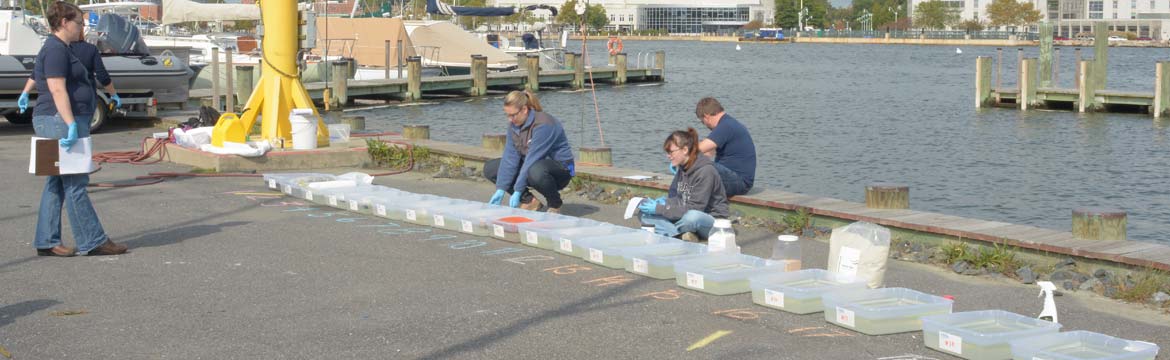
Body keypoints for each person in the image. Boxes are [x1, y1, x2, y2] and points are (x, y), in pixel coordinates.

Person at [31, 1, 126, 257]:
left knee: (56, 182)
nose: (81, 28)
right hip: (59, 120)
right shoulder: (56, 50)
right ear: (64, 22)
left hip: (54, 118)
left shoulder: (59, 48)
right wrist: (71, 123)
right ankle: (93, 240)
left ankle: (46, 240)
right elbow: (57, 88)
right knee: (75, 181)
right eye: (79, 23)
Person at [483, 90, 575, 213]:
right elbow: (510, 158)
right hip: (532, 166)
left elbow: (532, 159)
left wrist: (517, 190)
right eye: (507, 115)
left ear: (524, 110)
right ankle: (530, 201)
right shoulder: (514, 126)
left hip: (559, 170)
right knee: (492, 168)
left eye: (513, 115)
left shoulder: (544, 124)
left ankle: (555, 203)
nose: (510, 119)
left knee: (535, 170)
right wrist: (500, 189)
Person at [639, 128, 730, 241]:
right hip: (685, 213)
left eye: (671, 152)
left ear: (685, 150)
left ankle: (671, 232)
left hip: (711, 220)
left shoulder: (706, 171)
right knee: (644, 214)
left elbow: (696, 208)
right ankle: (680, 235)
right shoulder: (683, 168)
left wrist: (661, 209)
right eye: (667, 152)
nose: (668, 156)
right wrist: (664, 202)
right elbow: (679, 199)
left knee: (692, 217)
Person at [18, 38, 121, 114]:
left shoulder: (52, 48)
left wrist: (25, 92)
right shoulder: (90, 49)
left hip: (56, 105)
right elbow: (102, 76)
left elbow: (36, 72)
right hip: (82, 105)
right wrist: (113, 94)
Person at [693, 97, 756, 197]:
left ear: (706, 117)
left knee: (700, 163)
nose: (704, 125)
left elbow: (697, 149)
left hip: (739, 182)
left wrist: (680, 157)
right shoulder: (729, 123)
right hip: (735, 179)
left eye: (702, 121)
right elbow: (708, 152)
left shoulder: (726, 126)